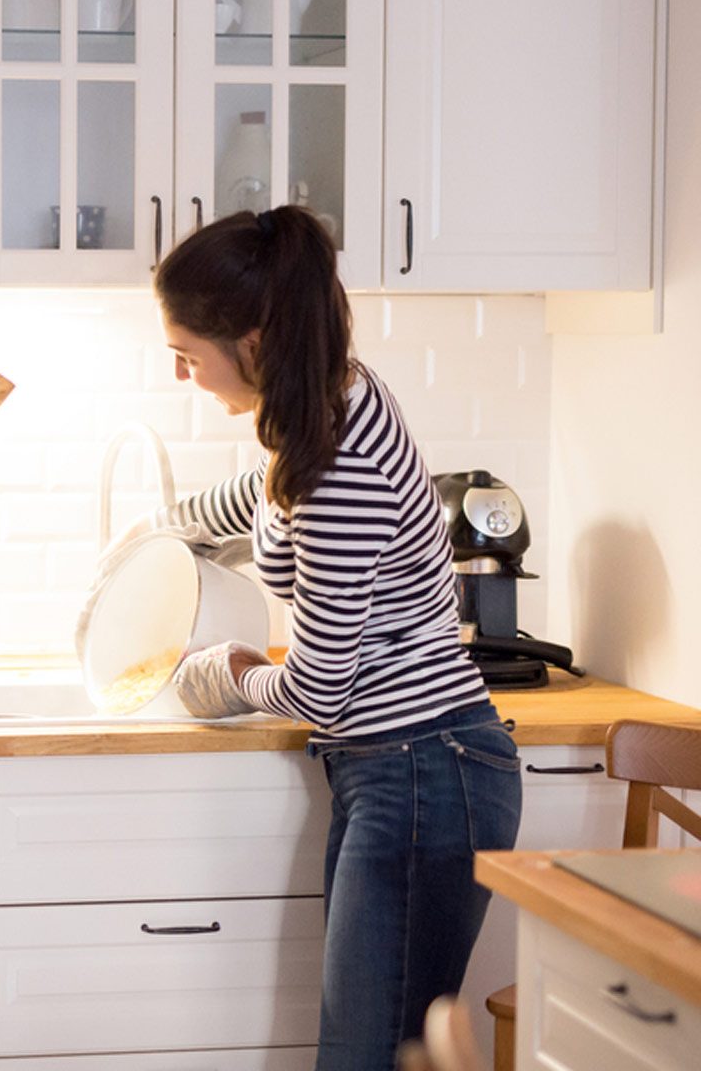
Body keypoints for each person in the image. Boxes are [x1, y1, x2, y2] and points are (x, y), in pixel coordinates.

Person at [148, 206, 522, 1070]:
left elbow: (319, 689)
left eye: (187, 354)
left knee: (366, 1057)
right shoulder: (326, 401)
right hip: (402, 769)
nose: (179, 372)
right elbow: (265, 493)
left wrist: (227, 671)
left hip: (424, 772)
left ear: (251, 338)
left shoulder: (341, 457)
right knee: (371, 1050)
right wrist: (160, 532)